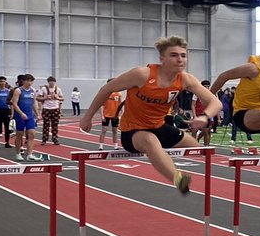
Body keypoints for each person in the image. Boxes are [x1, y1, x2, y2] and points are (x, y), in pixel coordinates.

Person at [80, 36, 222, 194]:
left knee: (196, 148)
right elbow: (106, 89)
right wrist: (87, 117)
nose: (180, 60)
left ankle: (162, 160)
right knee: (150, 140)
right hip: (133, 131)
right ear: (162, 59)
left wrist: (204, 116)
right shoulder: (142, 74)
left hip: (159, 127)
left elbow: (216, 102)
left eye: (183, 55)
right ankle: (178, 179)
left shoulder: (186, 79)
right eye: (174, 55)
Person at [10, 74, 40, 161]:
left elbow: (34, 103)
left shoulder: (32, 91)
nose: (29, 83)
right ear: (23, 81)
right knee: (19, 135)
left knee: (32, 134)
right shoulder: (18, 91)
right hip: (20, 116)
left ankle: (30, 154)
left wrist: (37, 114)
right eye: (27, 80)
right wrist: (21, 113)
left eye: (31, 81)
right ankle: (18, 153)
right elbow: (14, 103)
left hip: (30, 115)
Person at [36, 76, 65, 144]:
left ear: (55, 82)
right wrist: (45, 98)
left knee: (55, 125)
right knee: (46, 125)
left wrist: (57, 97)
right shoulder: (43, 89)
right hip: (46, 109)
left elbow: (62, 98)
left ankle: (55, 139)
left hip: (55, 109)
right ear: (48, 82)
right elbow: (37, 98)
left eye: (53, 82)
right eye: (50, 82)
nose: (52, 83)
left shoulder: (58, 89)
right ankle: (44, 139)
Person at [97, 79, 124, 150]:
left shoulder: (119, 94)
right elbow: (102, 105)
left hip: (115, 115)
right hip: (106, 115)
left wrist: (122, 113)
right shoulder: (105, 93)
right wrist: (102, 115)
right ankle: (101, 145)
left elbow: (121, 104)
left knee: (115, 131)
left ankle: (115, 145)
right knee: (104, 130)